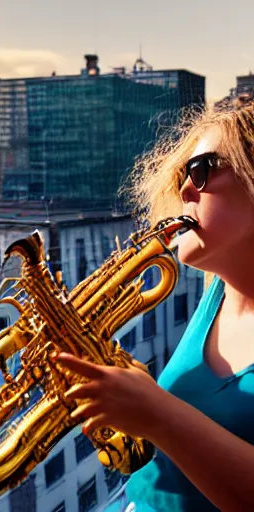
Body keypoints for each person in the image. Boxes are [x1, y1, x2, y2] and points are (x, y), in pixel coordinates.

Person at [57, 95, 254, 512]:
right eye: (184, 173)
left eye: (202, 171)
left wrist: (156, 412)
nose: (183, 188)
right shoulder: (215, 292)